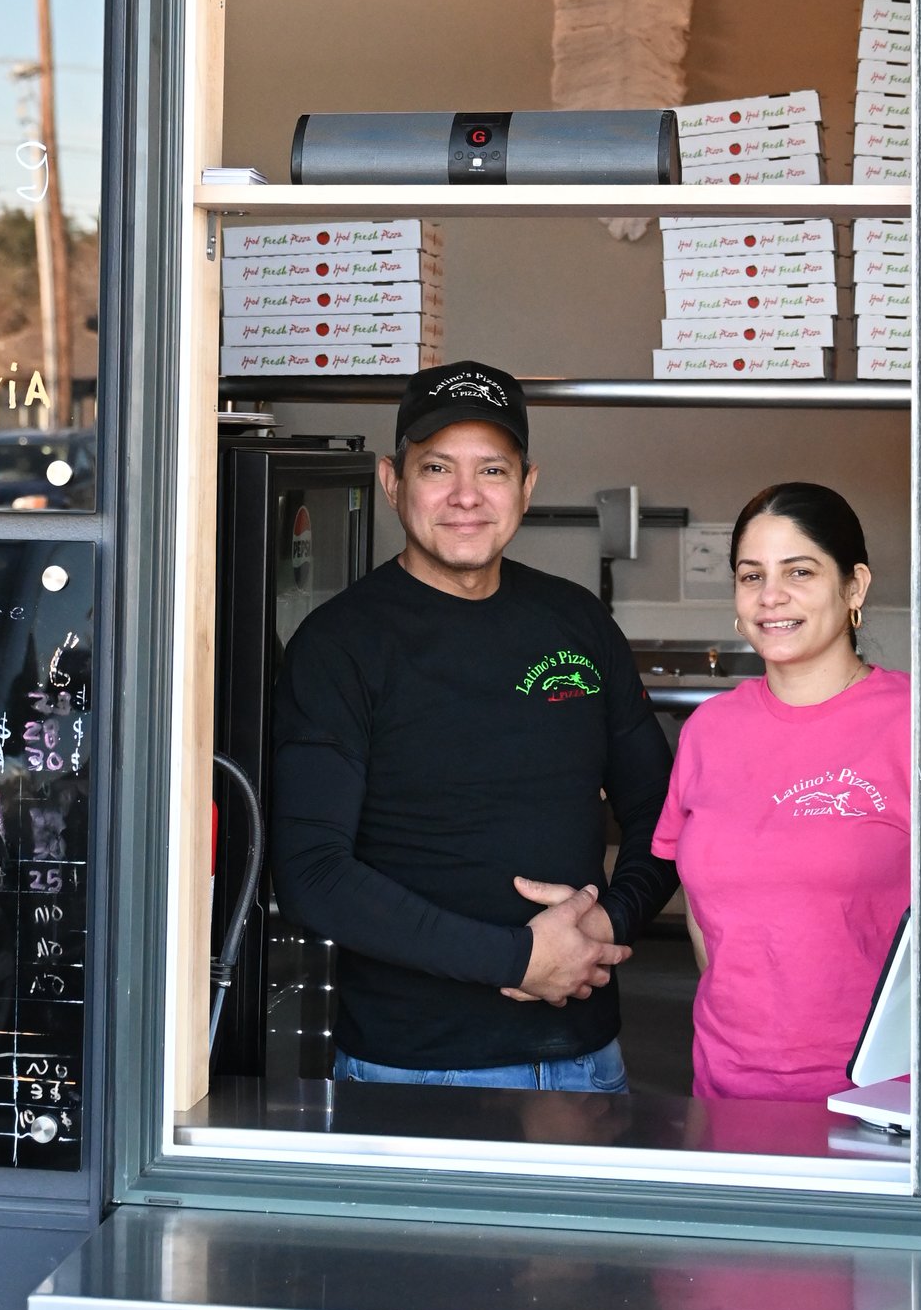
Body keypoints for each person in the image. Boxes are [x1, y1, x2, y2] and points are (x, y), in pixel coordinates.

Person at [270, 361, 675, 1089]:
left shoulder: (577, 620)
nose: (466, 496)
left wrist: (607, 926)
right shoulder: (339, 647)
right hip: (413, 1070)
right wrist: (517, 960)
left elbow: (667, 815)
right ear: (393, 482)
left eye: (492, 469)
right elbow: (312, 874)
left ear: (527, 485)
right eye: (437, 468)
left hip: (585, 1061)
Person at [652, 481, 911, 1103]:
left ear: (855, 586)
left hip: (882, 1101)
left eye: (800, 571)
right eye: (751, 576)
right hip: (726, 1090)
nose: (771, 597)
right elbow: (705, 916)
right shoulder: (708, 731)